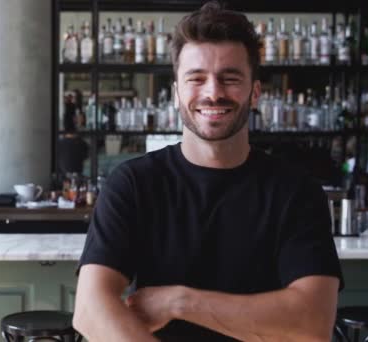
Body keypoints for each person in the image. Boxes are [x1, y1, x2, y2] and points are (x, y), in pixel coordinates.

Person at [73, 2, 343, 341]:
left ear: (255, 92)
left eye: (230, 78)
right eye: (196, 79)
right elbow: (90, 309)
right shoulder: (134, 183)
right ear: (176, 93)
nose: (213, 92)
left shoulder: (296, 191)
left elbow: (313, 322)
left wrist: (180, 301)